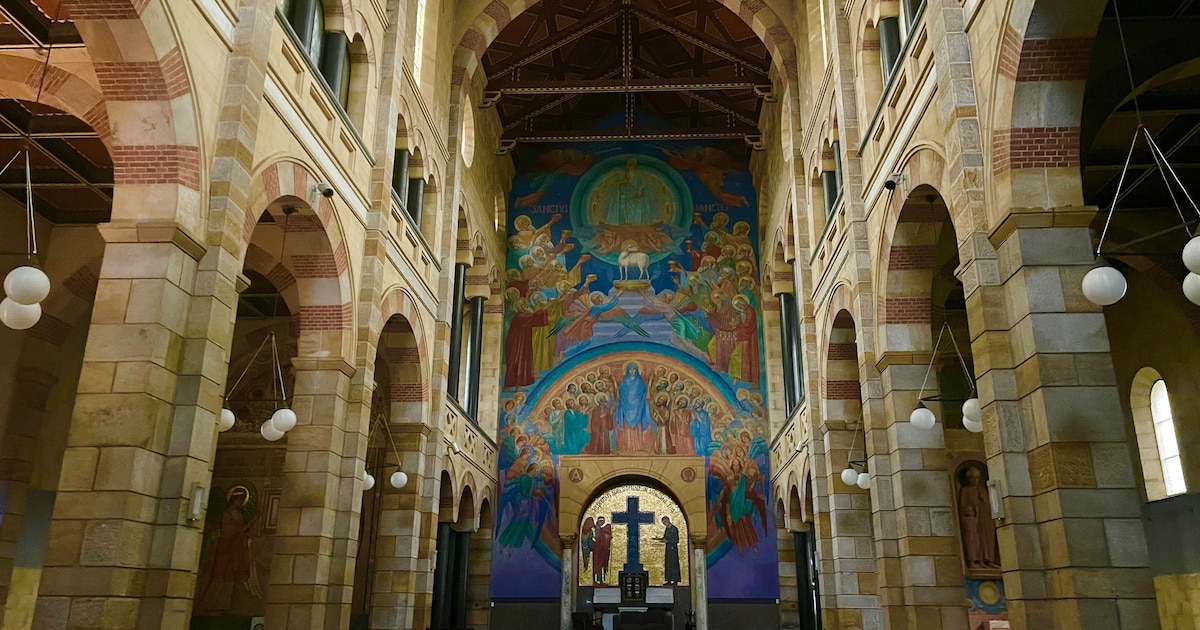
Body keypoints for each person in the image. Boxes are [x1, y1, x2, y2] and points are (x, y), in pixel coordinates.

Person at [959, 466, 999, 569]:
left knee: (987, 537)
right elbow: (963, 505)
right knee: (972, 538)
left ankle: (988, 560)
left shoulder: (982, 490)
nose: (975, 480)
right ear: (969, 479)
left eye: (977, 478)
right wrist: (969, 510)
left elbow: (988, 505)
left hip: (984, 518)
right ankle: (974, 561)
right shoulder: (965, 490)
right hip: (972, 518)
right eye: (973, 478)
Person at [614, 362, 656, 454]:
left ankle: (639, 446)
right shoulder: (623, 384)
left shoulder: (640, 383)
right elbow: (619, 396)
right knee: (627, 428)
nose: (632, 371)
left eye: (634, 369)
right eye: (630, 369)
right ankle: (627, 447)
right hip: (626, 409)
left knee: (637, 428)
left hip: (638, 410)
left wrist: (650, 382)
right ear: (627, 371)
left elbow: (646, 395)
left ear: (637, 370)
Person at [654, 516, 682, 585]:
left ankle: (675, 580)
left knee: (674, 563)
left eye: (665, 522)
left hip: (673, 548)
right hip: (668, 548)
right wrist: (659, 539)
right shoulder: (667, 529)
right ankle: (669, 579)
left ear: (668, 520)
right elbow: (665, 538)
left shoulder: (674, 529)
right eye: (663, 523)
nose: (664, 523)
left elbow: (676, 540)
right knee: (668, 564)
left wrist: (668, 541)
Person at [593, 516, 613, 584]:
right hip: (598, 551)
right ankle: (597, 580)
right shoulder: (597, 528)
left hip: (603, 551)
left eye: (602, 521)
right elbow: (597, 537)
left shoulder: (603, 529)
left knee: (602, 566)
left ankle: (601, 580)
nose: (601, 522)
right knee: (598, 565)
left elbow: (608, 538)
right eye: (600, 521)